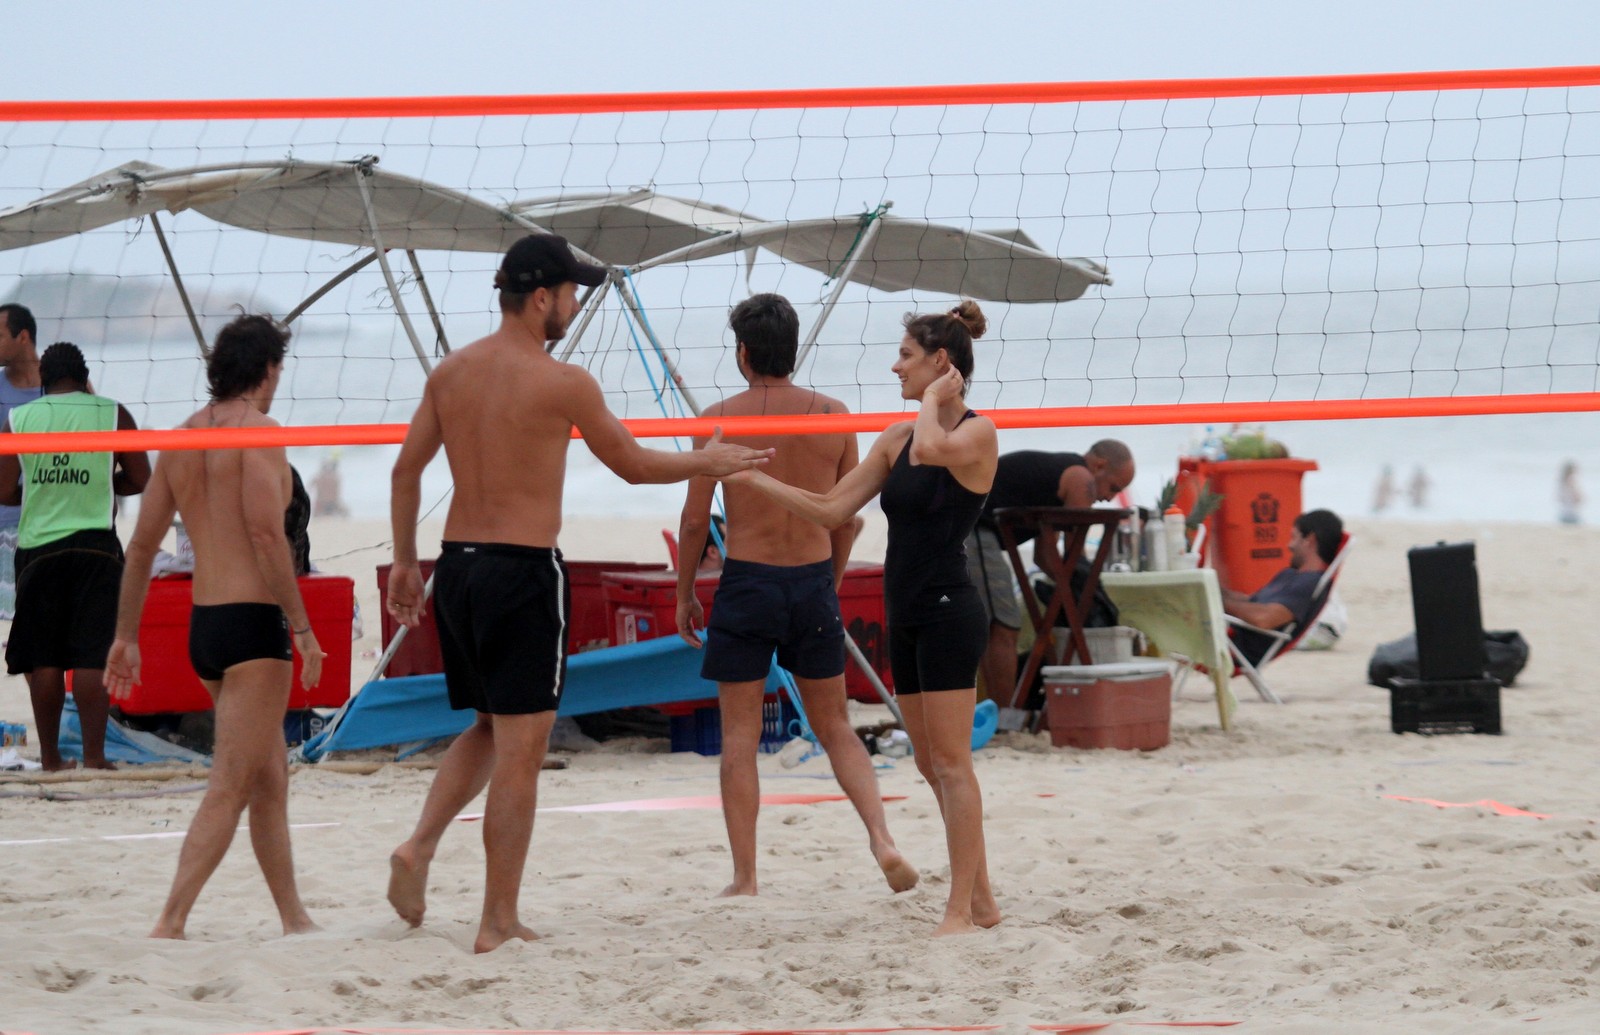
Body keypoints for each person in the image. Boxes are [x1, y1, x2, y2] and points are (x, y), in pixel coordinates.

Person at [383, 233, 772, 954]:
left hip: (458, 567)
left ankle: (419, 844)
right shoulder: (563, 381)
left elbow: (405, 473)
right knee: (523, 746)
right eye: (571, 293)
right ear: (541, 298)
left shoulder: (451, 372)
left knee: (487, 726)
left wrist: (406, 562)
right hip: (523, 571)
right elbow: (628, 464)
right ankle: (498, 917)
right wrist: (708, 460)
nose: (575, 304)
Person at [724, 300, 999, 937]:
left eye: (905, 355)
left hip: (950, 612)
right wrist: (749, 477)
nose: (893, 365)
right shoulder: (898, 436)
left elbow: (935, 446)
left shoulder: (973, 434)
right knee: (930, 766)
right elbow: (831, 509)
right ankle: (981, 899)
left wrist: (932, 401)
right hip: (905, 613)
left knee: (954, 765)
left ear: (940, 363)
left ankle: (959, 909)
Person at [675, 292, 917, 900]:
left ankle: (746, 878)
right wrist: (828, 584)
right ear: (792, 348)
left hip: (748, 582)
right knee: (836, 726)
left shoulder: (720, 419)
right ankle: (883, 839)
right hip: (810, 583)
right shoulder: (833, 415)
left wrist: (685, 592)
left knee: (739, 737)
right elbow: (846, 520)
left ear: (744, 352)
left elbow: (694, 522)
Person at [105, 314, 326, 940]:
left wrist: (126, 635)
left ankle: (294, 917)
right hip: (254, 628)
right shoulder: (261, 432)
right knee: (232, 783)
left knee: (268, 776)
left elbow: (143, 547)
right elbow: (264, 535)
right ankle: (170, 921)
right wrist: (303, 627)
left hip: (206, 628)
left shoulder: (182, 439)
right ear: (268, 370)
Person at [0, 343, 149, 771]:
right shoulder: (111, 412)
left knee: (44, 657)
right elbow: (140, 478)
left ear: (43, 383)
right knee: (91, 654)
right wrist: (104, 485)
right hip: (95, 546)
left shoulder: (19, 419)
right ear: (85, 380)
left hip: (38, 549)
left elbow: (3, 489)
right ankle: (95, 757)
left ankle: (49, 758)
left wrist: (37, 491)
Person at [964, 442, 1134, 709]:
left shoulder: (1056, 475)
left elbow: (1044, 556)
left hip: (966, 524)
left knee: (996, 627)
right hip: (972, 529)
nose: (1110, 498)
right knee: (1003, 626)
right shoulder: (1081, 478)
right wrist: (1086, 588)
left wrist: (1071, 585)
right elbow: (1075, 554)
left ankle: (1000, 710)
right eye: (1113, 487)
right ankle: (1004, 716)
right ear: (1099, 466)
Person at [1221, 508, 1343, 665]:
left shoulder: (1309, 584)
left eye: (1294, 537)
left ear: (1310, 540)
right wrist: (1213, 589)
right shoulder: (1291, 575)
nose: (1289, 545)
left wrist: (1218, 602)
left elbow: (1263, 619)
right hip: (1226, 635)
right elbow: (1251, 602)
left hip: (1235, 649)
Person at [0, 303, 44, 619]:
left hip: (50, 522)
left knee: (43, 623)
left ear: (23, 337)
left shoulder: (63, 385)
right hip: (4, 525)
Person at [1558, 461, 1582, 525]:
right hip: (1572, 514)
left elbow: (1560, 498)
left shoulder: (1561, 482)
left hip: (1564, 513)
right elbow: (1577, 498)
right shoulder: (1571, 481)